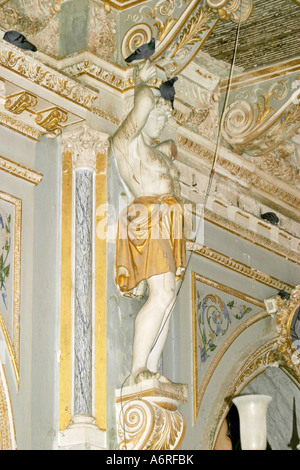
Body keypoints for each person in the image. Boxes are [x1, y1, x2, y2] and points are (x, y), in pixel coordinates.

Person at [111, 60, 188, 385]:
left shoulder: (157, 151)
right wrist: (142, 81)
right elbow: (142, 105)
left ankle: (152, 368)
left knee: (169, 297)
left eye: (167, 117)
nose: (162, 122)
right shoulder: (129, 144)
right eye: (158, 116)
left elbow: (167, 150)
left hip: (170, 222)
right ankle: (137, 369)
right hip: (149, 217)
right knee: (163, 292)